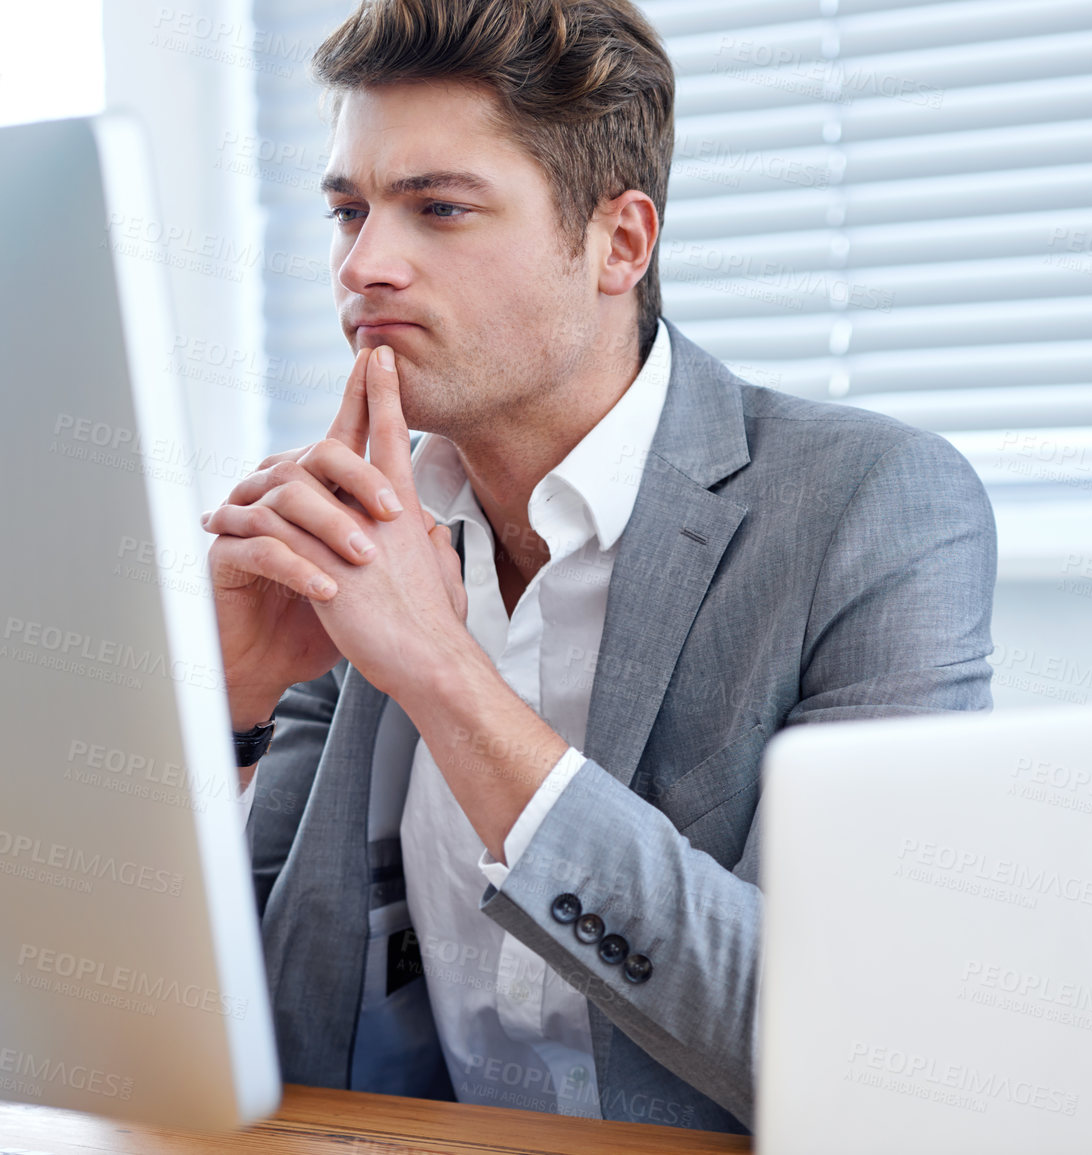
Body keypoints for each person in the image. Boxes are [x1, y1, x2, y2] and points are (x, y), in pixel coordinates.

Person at [200, 0, 996, 1135]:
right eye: (348, 210)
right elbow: (268, 1026)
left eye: (438, 209)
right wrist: (224, 716)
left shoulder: (873, 509)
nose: (364, 265)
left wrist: (444, 675)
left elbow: (858, 1042)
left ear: (620, 243)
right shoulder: (354, 528)